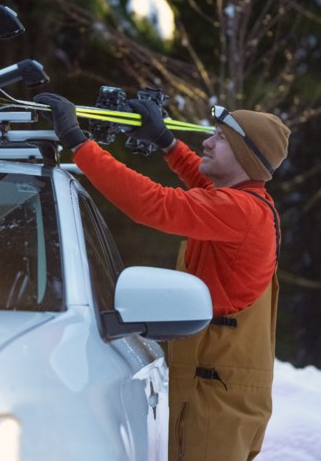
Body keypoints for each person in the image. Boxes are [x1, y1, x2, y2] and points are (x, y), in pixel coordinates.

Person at [33, 92, 291, 461]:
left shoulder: (241, 212)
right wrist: (166, 142)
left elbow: (152, 203)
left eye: (220, 137)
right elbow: (202, 185)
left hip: (216, 391)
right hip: (219, 381)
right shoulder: (246, 202)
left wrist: (78, 143)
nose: (208, 140)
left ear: (245, 157)